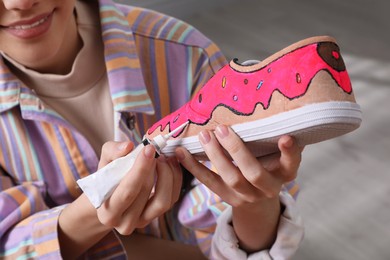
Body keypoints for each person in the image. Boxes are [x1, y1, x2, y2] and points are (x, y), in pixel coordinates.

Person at [0, 0, 304, 259]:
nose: (20, 3)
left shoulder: (187, 54)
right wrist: (90, 216)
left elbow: (240, 238)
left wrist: (257, 204)